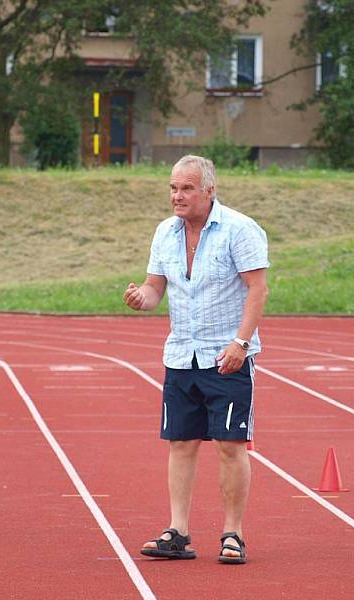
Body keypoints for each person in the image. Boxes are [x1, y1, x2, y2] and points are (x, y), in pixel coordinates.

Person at [123, 154, 269, 565]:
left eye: (186, 188)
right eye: (173, 187)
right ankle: (178, 532)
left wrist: (241, 343)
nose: (177, 196)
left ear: (209, 190)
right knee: (181, 444)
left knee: (229, 445)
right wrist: (141, 299)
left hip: (227, 357)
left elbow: (257, 289)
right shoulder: (165, 233)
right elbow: (155, 288)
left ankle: (233, 534)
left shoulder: (239, 230)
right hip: (181, 357)